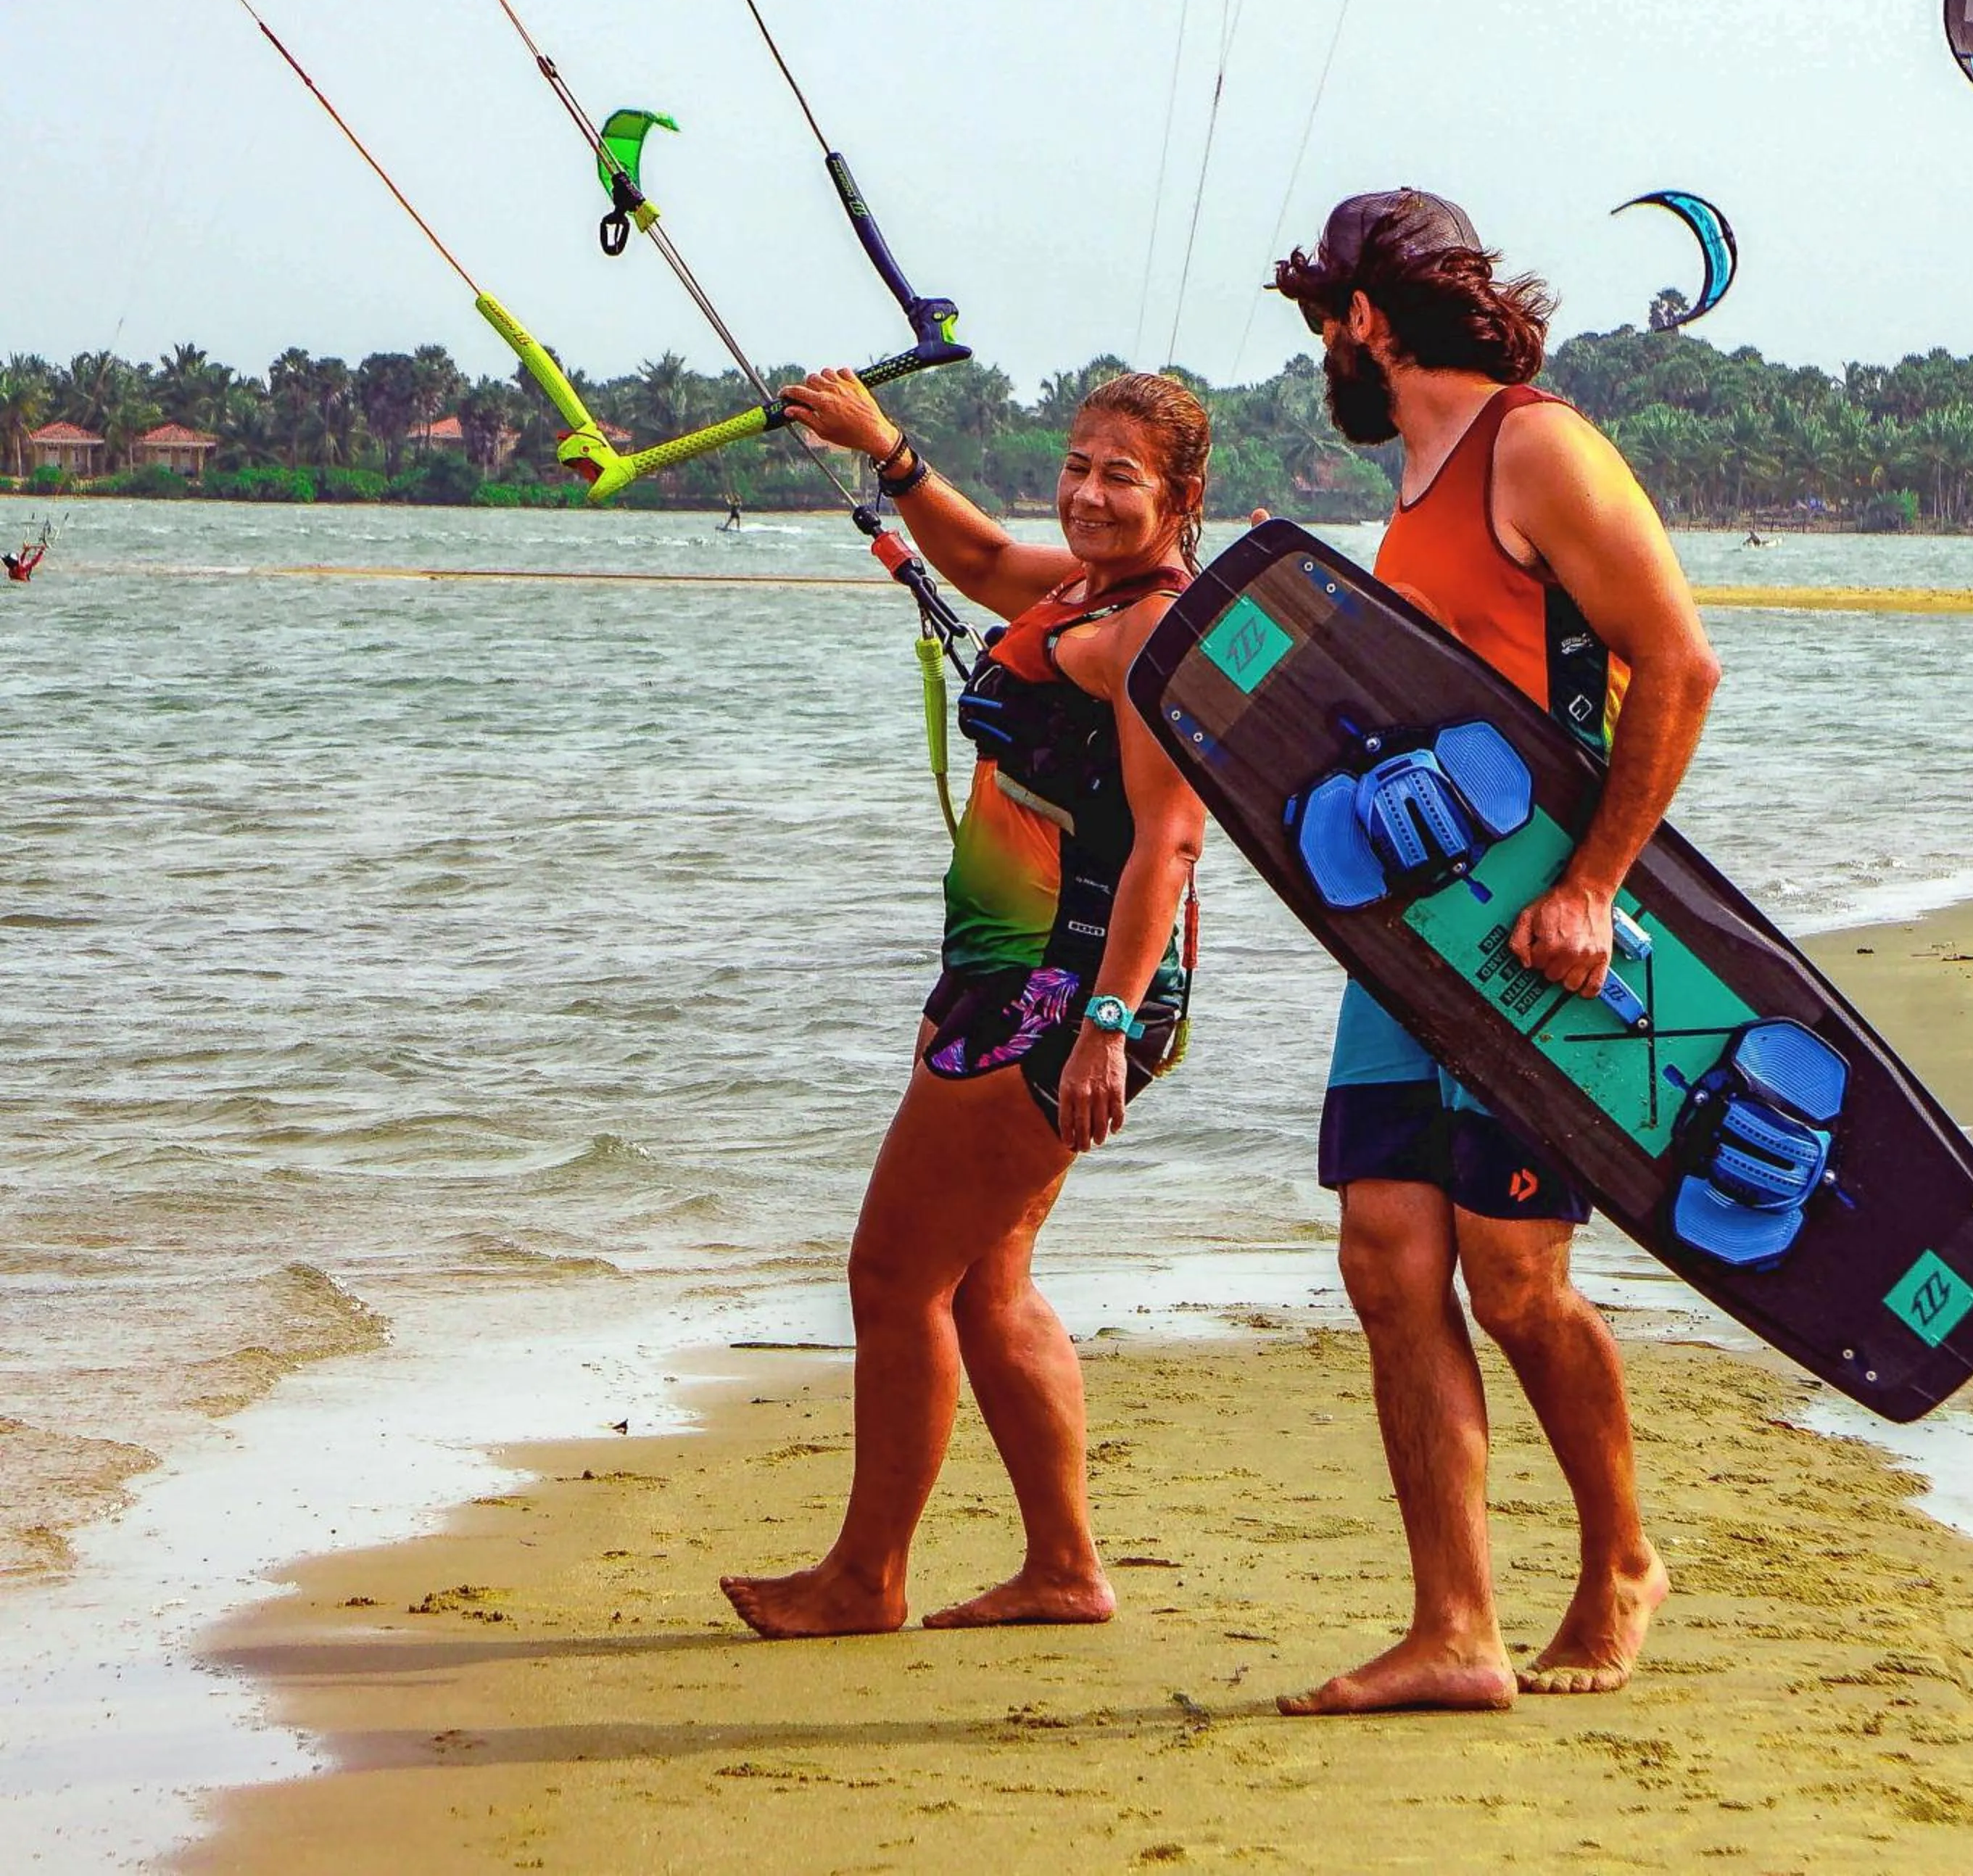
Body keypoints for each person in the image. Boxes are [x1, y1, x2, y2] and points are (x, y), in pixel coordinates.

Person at [1267, 190, 1721, 1714]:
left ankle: (1620, 1562)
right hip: (1415, 948)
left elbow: (1677, 663)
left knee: (1514, 1276)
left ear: (1370, 321)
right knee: (1390, 1263)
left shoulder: (1537, 445)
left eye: (1327, 320)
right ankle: (1455, 1628)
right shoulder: (1414, 487)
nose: (1325, 350)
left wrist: (1596, 885)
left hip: (1539, 944)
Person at [721, 368, 1211, 1639]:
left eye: (1123, 476)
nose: (1089, 493)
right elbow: (982, 549)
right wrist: (882, 445)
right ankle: (1064, 1569)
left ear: (1181, 499)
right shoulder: (1081, 590)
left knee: (893, 1277)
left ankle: (866, 1579)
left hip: (1070, 993)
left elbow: (1170, 839)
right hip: (1011, 976)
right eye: (1080, 463)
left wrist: (1102, 1028)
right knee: (987, 1281)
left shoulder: (1154, 630)